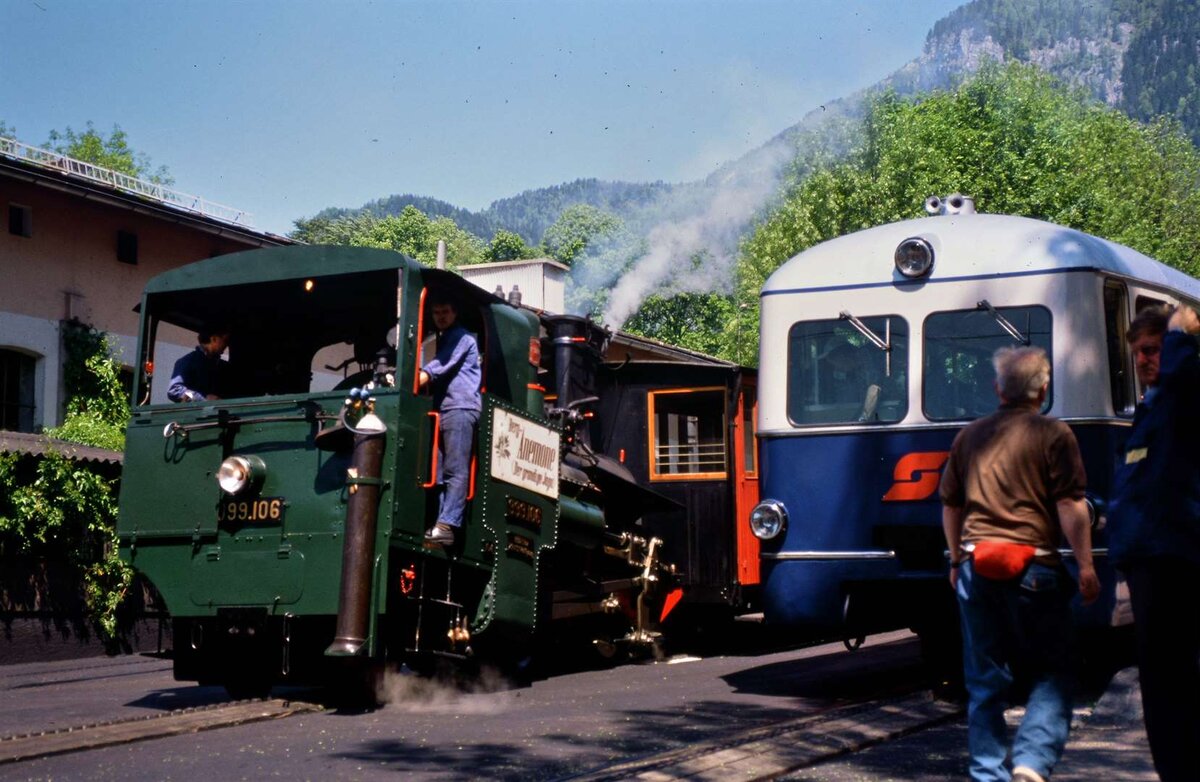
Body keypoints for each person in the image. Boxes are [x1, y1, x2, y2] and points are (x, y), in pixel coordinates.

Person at [940, 346, 1100, 782]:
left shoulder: (969, 436)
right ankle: (1031, 761)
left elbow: (951, 507)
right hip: (1035, 568)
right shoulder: (1054, 434)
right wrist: (1085, 566)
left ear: (997, 389)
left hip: (977, 565)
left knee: (985, 680)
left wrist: (956, 559)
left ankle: (988, 773)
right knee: (1054, 670)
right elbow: (1071, 506)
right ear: (1043, 389)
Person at [1107, 304, 1200, 782]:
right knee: (1162, 691)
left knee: (1175, 687)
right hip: (1147, 561)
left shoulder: (1182, 398)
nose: (1143, 359)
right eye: (1138, 352)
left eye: (1153, 349)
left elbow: (1186, 375)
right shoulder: (1150, 409)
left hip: (1175, 559)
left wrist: (1182, 332)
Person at [417, 296, 481, 546]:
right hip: (446, 408)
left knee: (455, 469)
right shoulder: (446, 338)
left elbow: (437, 367)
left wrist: (408, 381)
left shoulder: (462, 338)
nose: (441, 316)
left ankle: (448, 523)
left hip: (461, 407)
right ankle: (440, 524)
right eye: (436, 313)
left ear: (455, 313)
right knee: (440, 472)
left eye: (445, 311)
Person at [168, 327, 231, 402]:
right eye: (225, 340)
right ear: (214, 339)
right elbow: (175, 389)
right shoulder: (189, 361)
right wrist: (202, 398)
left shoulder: (221, 366)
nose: (226, 345)